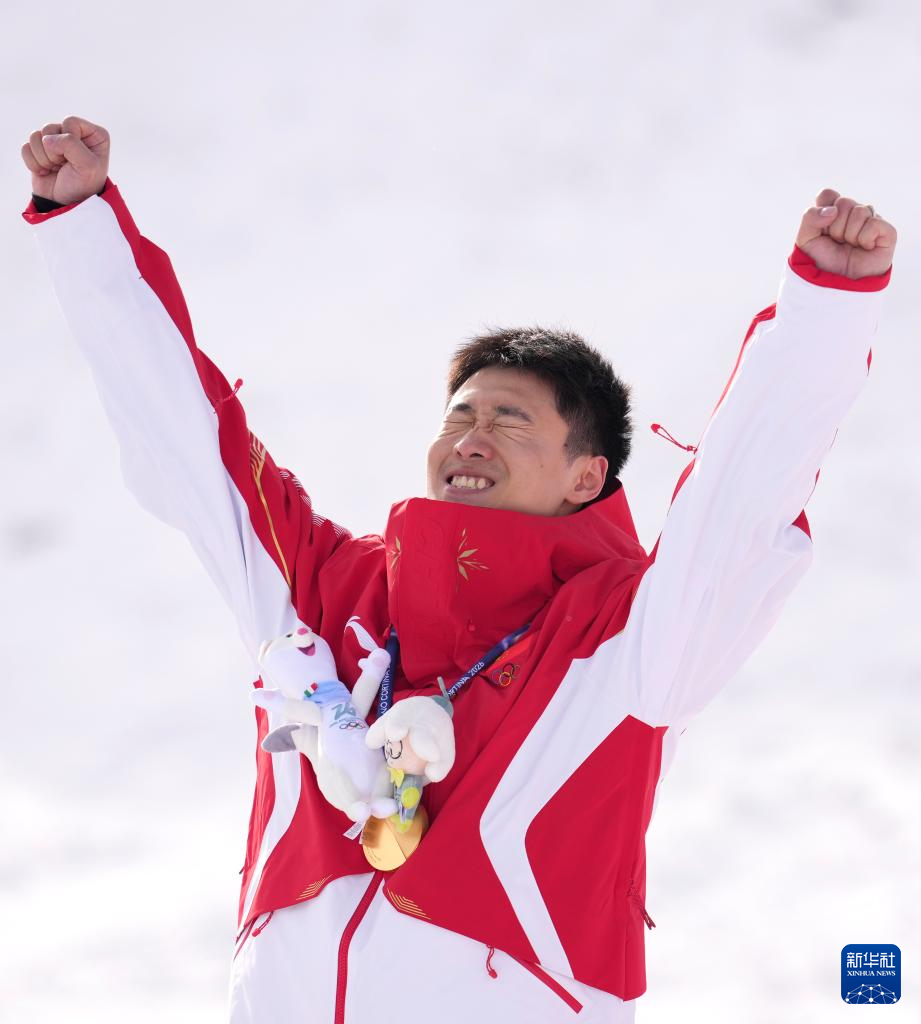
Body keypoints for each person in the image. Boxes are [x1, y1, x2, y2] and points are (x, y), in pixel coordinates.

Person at [21, 115, 896, 1024]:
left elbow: (741, 507)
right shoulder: (323, 592)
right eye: (459, 417)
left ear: (586, 476)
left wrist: (825, 310)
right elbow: (185, 434)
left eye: (510, 421)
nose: (470, 439)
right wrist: (83, 227)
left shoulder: (628, 638)